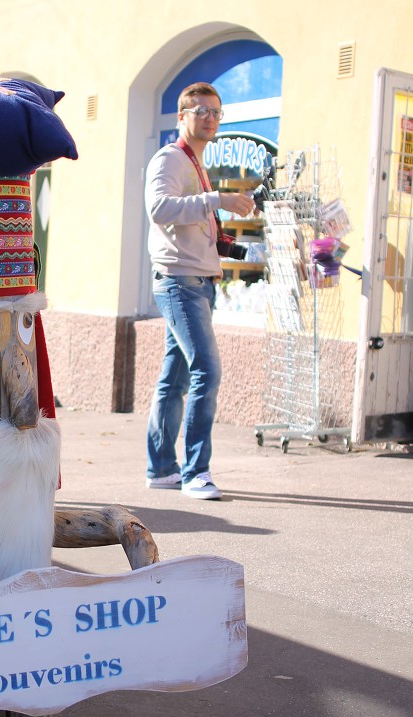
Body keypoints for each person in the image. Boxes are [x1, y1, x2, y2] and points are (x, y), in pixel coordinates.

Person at [144, 82, 254, 500]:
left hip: (195, 281)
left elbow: (190, 221)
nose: (209, 118)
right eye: (200, 110)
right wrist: (218, 199)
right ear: (181, 117)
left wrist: (222, 245)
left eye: (215, 112)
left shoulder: (195, 163)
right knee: (207, 371)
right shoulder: (170, 159)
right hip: (179, 282)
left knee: (174, 381)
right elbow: (159, 209)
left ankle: (161, 468)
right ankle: (196, 473)